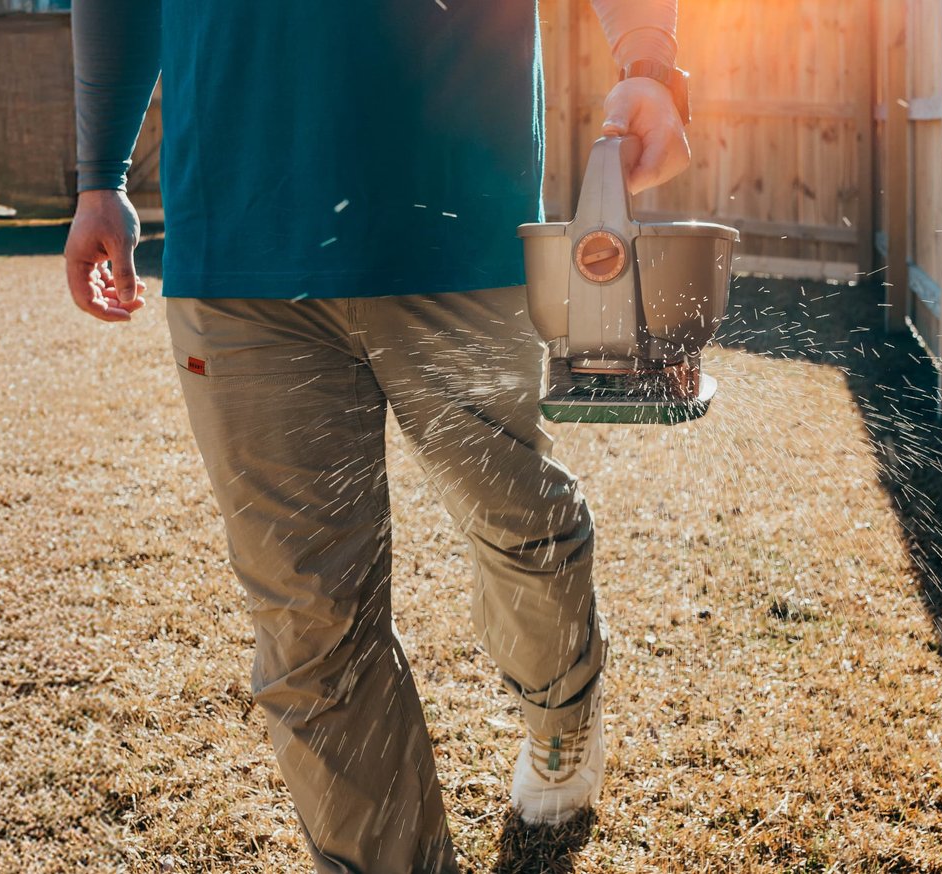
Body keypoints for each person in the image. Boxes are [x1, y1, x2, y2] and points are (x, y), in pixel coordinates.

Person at [63, 2, 689, 871]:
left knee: (515, 517)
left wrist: (649, 60)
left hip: (456, 218)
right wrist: (100, 175)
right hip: (238, 240)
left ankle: (563, 703)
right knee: (309, 620)